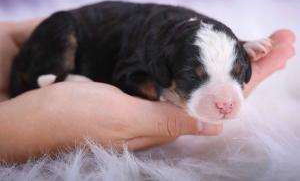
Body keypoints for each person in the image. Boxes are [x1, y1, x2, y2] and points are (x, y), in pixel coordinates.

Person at [0, 18, 295, 163]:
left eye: (237, 73)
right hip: (65, 42)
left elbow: (214, 49)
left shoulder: (194, 36)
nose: (226, 102)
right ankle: (49, 79)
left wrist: (242, 47)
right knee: (61, 29)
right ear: (163, 71)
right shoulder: (152, 57)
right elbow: (129, 76)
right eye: (196, 79)